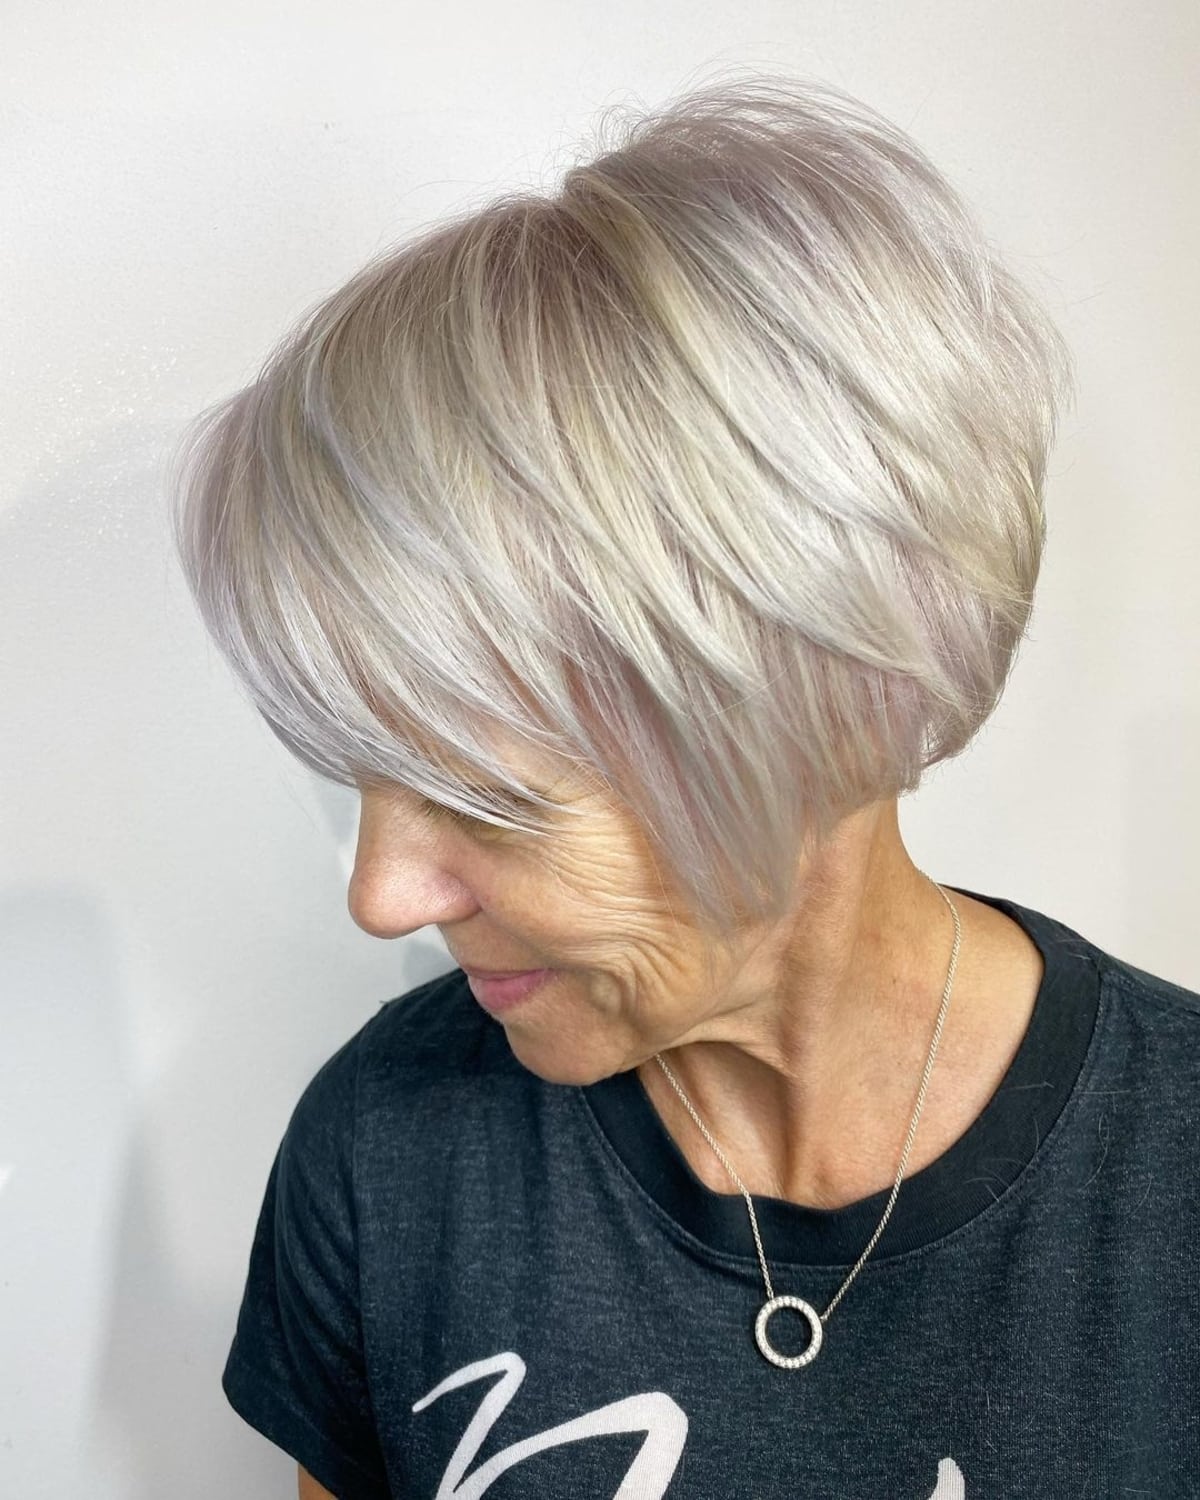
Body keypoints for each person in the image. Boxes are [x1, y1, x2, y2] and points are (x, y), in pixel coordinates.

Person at [169, 70, 1199, 1499]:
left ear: (822, 704)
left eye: (479, 788)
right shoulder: (390, 1155)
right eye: (362, 777)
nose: (383, 897)